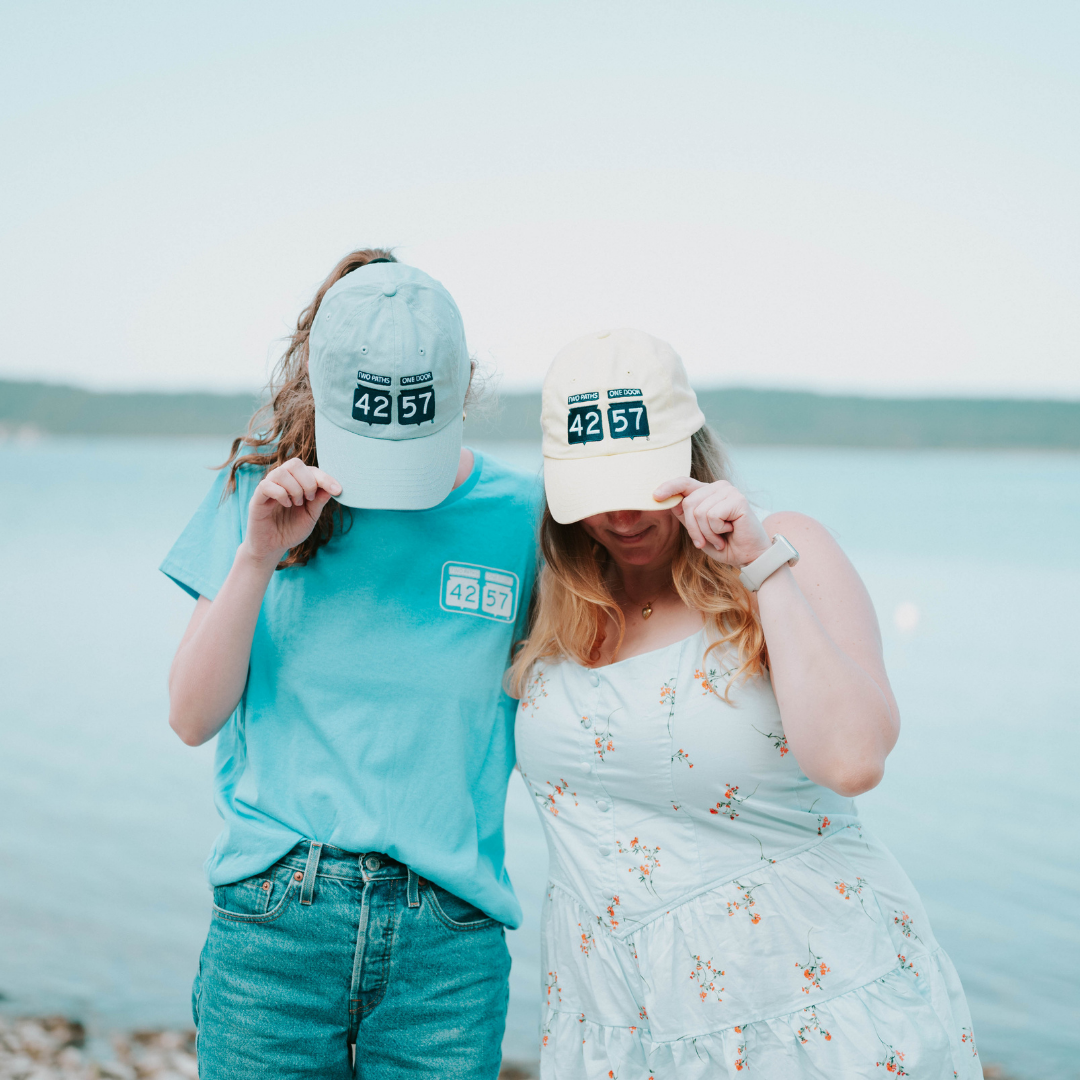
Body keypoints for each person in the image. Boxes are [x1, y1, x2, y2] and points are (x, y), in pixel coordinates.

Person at [511, 329, 980, 1078]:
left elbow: (855, 760)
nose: (624, 518)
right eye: (599, 494)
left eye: (644, 486)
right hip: (613, 1021)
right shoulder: (555, 599)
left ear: (691, 458)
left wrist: (762, 568)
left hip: (808, 1010)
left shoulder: (785, 550)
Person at [161, 250, 539, 1079]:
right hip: (276, 925)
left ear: (459, 387)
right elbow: (191, 716)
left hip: (450, 941)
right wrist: (257, 558)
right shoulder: (258, 495)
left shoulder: (524, 519)